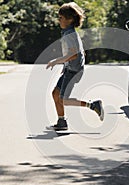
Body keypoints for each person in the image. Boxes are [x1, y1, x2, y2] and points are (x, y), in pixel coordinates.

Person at [46, 2, 104, 131]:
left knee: (64, 100)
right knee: (56, 94)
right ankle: (61, 121)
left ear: (70, 19)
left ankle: (93, 105)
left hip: (73, 71)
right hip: (70, 69)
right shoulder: (68, 33)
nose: (58, 20)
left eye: (61, 17)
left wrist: (57, 61)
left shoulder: (69, 35)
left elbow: (73, 55)